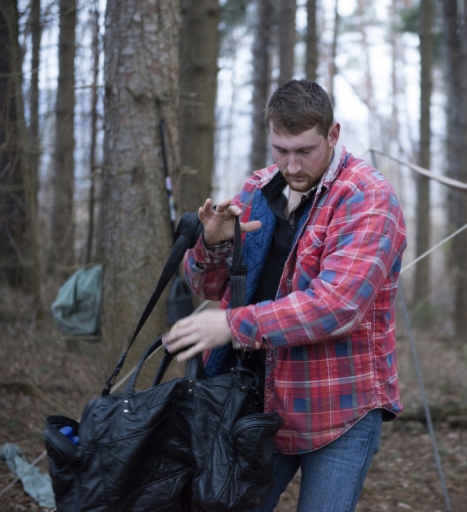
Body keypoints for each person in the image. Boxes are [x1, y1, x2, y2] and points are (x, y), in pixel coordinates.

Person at [162, 79, 407, 511]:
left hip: (340, 410)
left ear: (332, 135)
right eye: (280, 149)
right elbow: (207, 285)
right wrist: (214, 244)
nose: (291, 165)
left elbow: (337, 306)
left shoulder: (367, 198)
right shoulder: (259, 189)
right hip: (257, 403)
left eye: (304, 151)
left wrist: (231, 325)